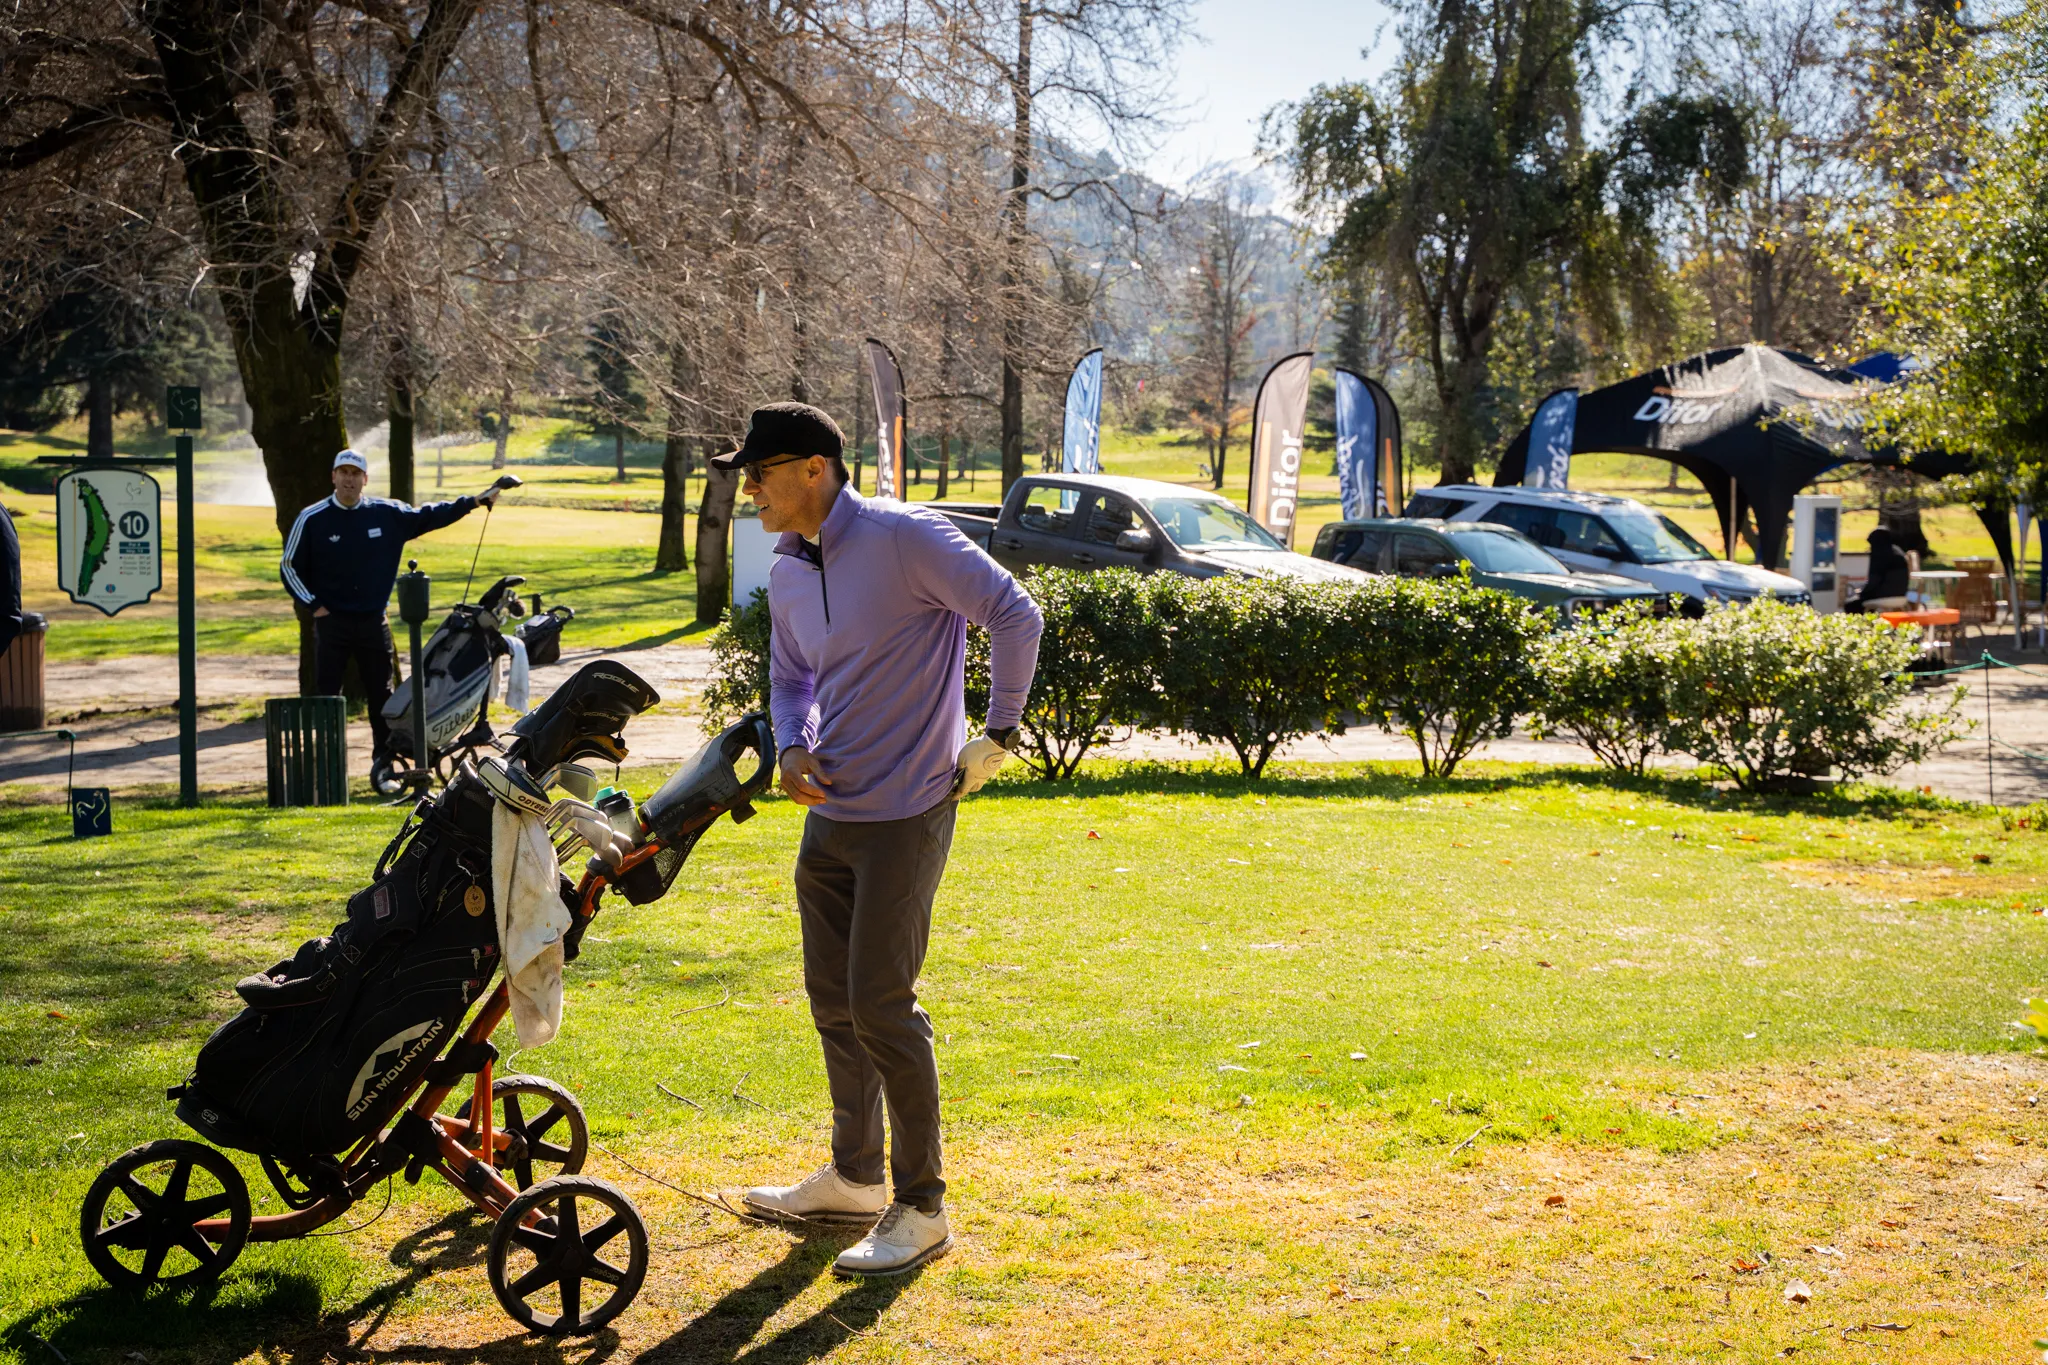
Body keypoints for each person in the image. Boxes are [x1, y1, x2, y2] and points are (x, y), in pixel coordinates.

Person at [727, 402, 1043, 1277]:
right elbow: (790, 676)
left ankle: (923, 1206)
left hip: (908, 811)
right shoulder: (788, 565)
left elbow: (1015, 613)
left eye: (760, 472)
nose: (749, 489)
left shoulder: (907, 536)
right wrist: (791, 744)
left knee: (881, 1005)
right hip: (830, 817)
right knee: (833, 1000)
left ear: (815, 468)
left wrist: (999, 733)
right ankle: (858, 1177)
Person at [280, 449, 497, 763]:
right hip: (331, 621)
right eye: (344, 473)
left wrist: (473, 502)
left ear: (365, 479)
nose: (349, 479)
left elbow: (430, 515)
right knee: (327, 695)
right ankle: (326, 763)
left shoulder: (387, 513)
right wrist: (314, 606)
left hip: (373, 621)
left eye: (356, 474)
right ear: (333, 477)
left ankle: (384, 764)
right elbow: (289, 566)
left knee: (381, 694)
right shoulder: (312, 517)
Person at [1850, 526, 1911, 612]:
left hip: (1882, 596)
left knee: (1852, 605)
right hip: (1901, 596)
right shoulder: (1899, 554)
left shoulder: (1879, 556)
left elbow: (1874, 581)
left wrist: (1862, 592)